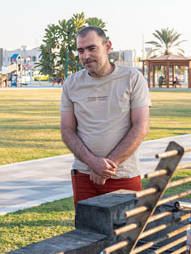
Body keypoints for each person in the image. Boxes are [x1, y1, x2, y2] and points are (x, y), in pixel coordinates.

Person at [60, 26, 151, 205]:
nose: (85, 56)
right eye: (81, 50)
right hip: (83, 176)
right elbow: (67, 130)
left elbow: (141, 126)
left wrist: (106, 166)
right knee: (86, 232)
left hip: (123, 175)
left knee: (128, 231)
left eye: (92, 48)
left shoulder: (132, 78)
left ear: (108, 47)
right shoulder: (71, 83)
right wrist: (92, 163)